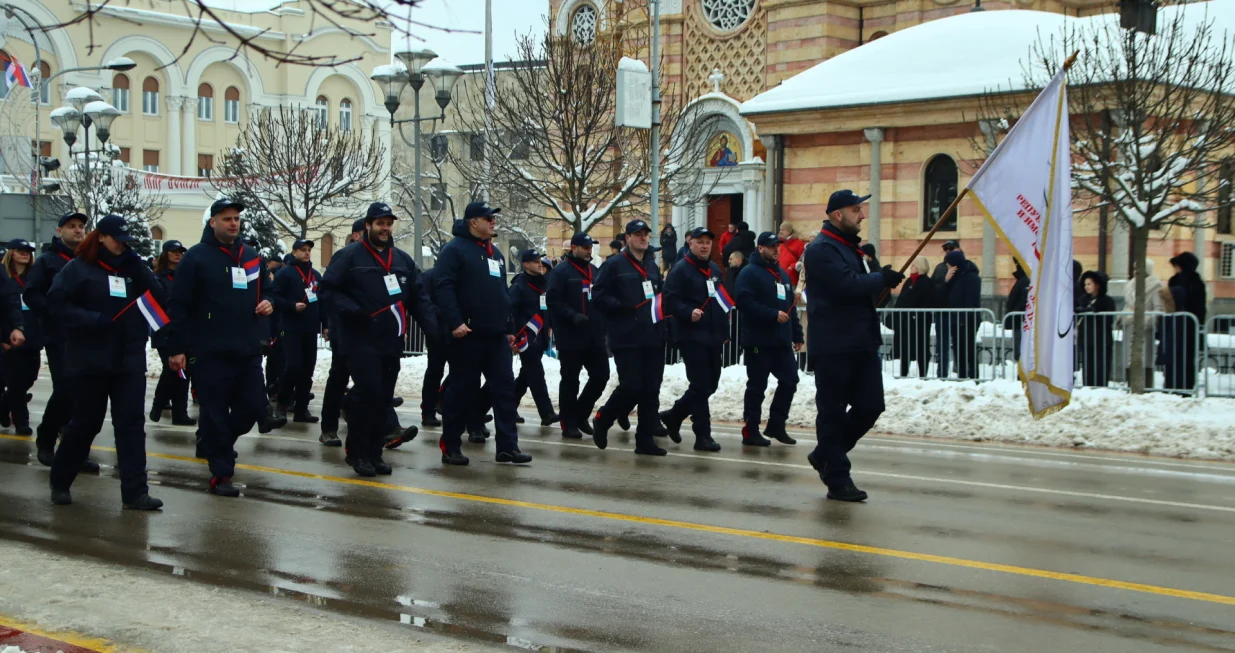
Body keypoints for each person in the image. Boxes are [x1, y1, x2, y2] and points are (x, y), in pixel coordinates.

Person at [166, 197, 286, 497]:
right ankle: (221, 473)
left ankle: (213, 442)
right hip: (209, 351)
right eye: (226, 219)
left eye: (236, 219)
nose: (233, 223)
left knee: (251, 410)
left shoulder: (250, 255)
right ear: (213, 223)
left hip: (246, 349)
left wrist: (269, 302)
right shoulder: (196, 257)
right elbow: (178, 306)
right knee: (215, 412)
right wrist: (177, 348)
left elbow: (269, 290)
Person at [46, 215, 165, 510]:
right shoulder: (78, 269)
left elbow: (160, 298)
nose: (122, 246)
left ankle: (135, 492)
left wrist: (139, 268)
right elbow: (56, 304)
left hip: (128, 358)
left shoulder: (132, 268)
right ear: (101, 237)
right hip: (90, 358)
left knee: (131, 425)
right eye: (117, 240)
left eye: (127, 242)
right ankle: (60, 480)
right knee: (87, 423)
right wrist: (92, 320)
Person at [320, 201, 437, 476]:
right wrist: (354, 312)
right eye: (379, 223)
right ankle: (357, 453)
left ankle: (375, 453)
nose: (384, 228)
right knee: (368, 394)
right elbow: (327, 290)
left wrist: (434, 329)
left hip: (391, 342)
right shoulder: (349, 257)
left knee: (382, 399)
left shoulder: (402, 260)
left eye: (388, 223)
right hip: (358, 340)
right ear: (368, 225)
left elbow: (418, 298)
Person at [803, 189, 904, 502]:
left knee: (871, 406)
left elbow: (862, 291)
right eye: (856, 210)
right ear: (837, 215)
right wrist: (880, 279)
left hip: (861, 342)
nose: (862, 215)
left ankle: (825, 454)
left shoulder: (851, 249)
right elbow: (845, 286)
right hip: (834, 344)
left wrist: (881, 282)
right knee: (832, 413)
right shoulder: (821, 249)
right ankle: (837, 478)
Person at [434, 201, 531, 466]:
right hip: (467, 335)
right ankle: (451, 446)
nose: (492, 222)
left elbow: (501, 293)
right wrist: (455, 322)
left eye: (493, 218)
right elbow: (443, 287)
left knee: (504, 391)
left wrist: (509, 328)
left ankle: (507, 447)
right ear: (472, 222)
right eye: (487, 218)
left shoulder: (495, 254)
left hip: (495, 335)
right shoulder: (454, 250)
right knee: (461, 391)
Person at [592, 219, 667, 455]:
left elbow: (658, 296)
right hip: (626, 336)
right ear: (627, 239)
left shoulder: (652, 265)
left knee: (651, 389)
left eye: (646, 234)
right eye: (638, 234)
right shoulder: (614, 265)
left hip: (652, 335)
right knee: (632, 386)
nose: (643, 238)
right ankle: (604, 417)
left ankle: (644, 440)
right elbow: (598, 295)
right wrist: (621, 307)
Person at [24, 211, 92, 469]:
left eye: (81, 227)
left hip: (86, 335)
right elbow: (32, 294)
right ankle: (47, 438)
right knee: (65, 389)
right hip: (59, 336)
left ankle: (75, 451)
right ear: (59, 230)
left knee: (85, 395)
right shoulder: (48, 261)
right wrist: (56, 310)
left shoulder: (89, 260)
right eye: (72, 226)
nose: (78, 231)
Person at [660, 226, 728, 452]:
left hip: (712, 336)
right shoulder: (680, 270)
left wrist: (724, 331)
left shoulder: (714, 269)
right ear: (690, 244)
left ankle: (675, 414)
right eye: (700, 242)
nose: (705, 246)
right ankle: (703, 435)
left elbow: (719, 301)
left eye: (708, 242)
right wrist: (687, 312)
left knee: (712, 383)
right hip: (690, 335)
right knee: (700, 384)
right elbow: (669, 301)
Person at [735, 232, 803, 446]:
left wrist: (797, 333)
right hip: (758, 341)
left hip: (781, 341)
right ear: (760, 248)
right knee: (757, 386)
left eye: (778, 246)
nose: (776, 250)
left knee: (790, 380)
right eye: (771, 246)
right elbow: (744, 302)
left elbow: (790, 308)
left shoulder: (781, 275)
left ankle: (776, 424)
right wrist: (771, 314)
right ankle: (751, 429)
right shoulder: (749, 273)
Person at [546, 232, 609, 441]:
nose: (589, 251)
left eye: (591, 247)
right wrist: (573, 316)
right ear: (573, 248)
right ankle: (568, 422)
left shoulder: (594, 270)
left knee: (601, 376)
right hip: (570, 336)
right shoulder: (561, 271)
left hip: (594, 335)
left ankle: (581, 413)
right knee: (570, 381)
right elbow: (553, 301)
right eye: (585, 247)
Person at [320, 218, 366, 446]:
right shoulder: (345, 256)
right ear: (356, 235)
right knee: (339, 377)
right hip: (345, 328)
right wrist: (331, 324)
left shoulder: (380, 257)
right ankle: (328, 427)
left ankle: (384, 424)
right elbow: (329, 291)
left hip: (369, 331)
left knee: (369, 378)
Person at [271, 239, 325, 423]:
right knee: (293, 366)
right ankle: (282, 404)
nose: (307, 253)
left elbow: (322, 301)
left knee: (307, 369)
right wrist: (292, 305)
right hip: (290, 327)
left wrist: (325, 324)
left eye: (309, 250)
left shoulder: (316, 275)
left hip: (310, 328)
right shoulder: (285, 273)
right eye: (303, 250)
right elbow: (274, 298)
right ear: (294, 252)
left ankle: (302, 409)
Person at [509, 249, 559, 426]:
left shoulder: (544, 284)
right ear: (526, 265)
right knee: (536, 373)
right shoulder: (519, 285)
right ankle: (546, 413)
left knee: (526, 375)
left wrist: (550, 326)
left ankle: (509, 408)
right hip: (526, 337)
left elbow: (547, 308)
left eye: (540, 260)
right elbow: (511, 312)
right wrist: (513, 335)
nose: (540, 263)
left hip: (540, 335)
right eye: (535, 261)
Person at [148, 240, 195, 426]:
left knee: (183, 373)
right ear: (165, 254)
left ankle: (179, 413)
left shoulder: (186, 277)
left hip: (183, 330)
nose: (178, 255)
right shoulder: (157, 277)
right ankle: (159, 403)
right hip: (164, 330)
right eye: (174, 251)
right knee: (172, 370)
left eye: (181, 252)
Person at [0, 239, 38, 435]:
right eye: (20, 251)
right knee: (17, 381)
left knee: (29, 378)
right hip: (10, 336)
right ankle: (22, 422)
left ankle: (3, 406)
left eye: (28, 251)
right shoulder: (3, 276)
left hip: (32, 335)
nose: (25, 254)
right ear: (11, 253)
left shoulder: (35, 276)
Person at [1163, 252, 1207, 392]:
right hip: (1179, 324)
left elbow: (1199, 305)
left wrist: (1198, 324)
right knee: (1176, 356)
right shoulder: (1175, 280)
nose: (1175, 269)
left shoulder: (1194, 282)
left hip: (1187, 325)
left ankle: (1183, 386)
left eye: (1178, 266)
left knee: (1185, 357)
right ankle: (1174, 385)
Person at [1121, 259, 1165, 390]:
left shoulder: (1155, 285)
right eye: (1134, 269)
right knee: (1129, 356)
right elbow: (1127, 304)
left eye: (1139, 269)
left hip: (1145, 327)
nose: (1136, 272)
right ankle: (1130, 384)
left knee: (1144, 356)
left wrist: (1148, 320)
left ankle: (1145, 385)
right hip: (1129, 324)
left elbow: (1158, 308)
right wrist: (1122, 316)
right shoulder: (1129, 285)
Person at [889, 257, 935, 378]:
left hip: (920, 322)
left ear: (920, 267)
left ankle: (923, 374)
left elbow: (928, 301)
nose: (911, 267)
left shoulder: (926, 282)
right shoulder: (909, 281)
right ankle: (903, 374)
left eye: (914, 265)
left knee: (921, 348)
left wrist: (916, 314)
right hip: (906, 321)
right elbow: (902, 298)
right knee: (905, 348)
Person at [942, 249, 981, 379]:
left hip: (967, 319)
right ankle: (962, 375)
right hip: (955, 318)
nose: (947, 266)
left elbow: (972, 300)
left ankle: (973, 376)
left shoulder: (972, 277)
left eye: (948, 264)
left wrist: (964, 318)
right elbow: (945, 294)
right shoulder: (954, 277)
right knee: (958, 350)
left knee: (968, 349)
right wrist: (946, 280)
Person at [418, 263, 447, 428]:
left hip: (459, 331)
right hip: (437, 332)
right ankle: (428, 410)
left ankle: (444, 401)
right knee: (435, 371)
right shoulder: (429, 277)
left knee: (464, 372)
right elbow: (424, 303)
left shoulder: (460, 275)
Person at [1076, 270, 1115, 388]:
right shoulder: (1083, 300)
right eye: (1085, 284)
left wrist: (1093, 311)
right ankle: (1087, 385)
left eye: (1089, 284)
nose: (1086, 287)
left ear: (1097, 285)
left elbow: (1108, 318)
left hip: (1101, 339)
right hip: (1087, 338)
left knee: (1101, 365)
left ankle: (1101, 386)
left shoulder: (1106, 300)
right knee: (1088, 365)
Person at [932, 240, 958, 376]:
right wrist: (945, 279)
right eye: (945, 248)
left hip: (958, 312)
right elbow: (933, 287)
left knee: (959, 343)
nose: (947, 251)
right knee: (942, 344)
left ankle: (960, 372)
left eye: (951, 248)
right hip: (942, 310)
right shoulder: (939, 268)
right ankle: (941, 373)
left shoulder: (963, 267)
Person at [1005, 259, 1030, 362]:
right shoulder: (1023, 280)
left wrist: (1013, 314)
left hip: (1021, 322)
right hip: (1019, 321)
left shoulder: (1025, 280)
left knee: (1021, 352)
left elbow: (1024, 301)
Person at [777, 222, 805, 286]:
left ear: (789, 232)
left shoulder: (799, 243)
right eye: (780, 230)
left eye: (783, 230)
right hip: (779, 278)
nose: (780, 232)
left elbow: (803, 259)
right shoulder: (779, 243)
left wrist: (792, 267)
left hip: (792, 278)